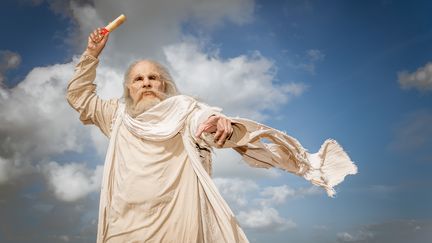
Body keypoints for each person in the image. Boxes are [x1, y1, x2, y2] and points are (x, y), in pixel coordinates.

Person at [67, 28, 357, 243]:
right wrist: (92, 55)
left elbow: (203, 121)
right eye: (138, 79)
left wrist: (217, 122)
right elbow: (78, 96)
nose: (146, 83)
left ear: (164, 85)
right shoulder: (116, 116)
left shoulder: (183, 110)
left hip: (177, 222)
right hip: (124, 224)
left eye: (153, 77)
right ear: (129, 88)